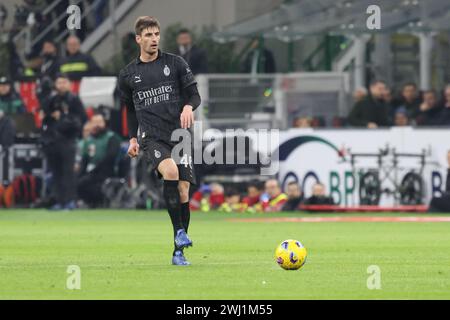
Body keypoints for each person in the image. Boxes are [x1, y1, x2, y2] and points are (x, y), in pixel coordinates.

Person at [118, 16, 201, 266]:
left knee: (184, 189)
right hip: (152, 136)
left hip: (179, 134)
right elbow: (131, 111)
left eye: (156, 34)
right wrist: (133, 138)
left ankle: (178, 251)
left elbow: (194, 95)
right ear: (138, 39)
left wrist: (188, 106)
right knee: (171, 171)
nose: (154, 39)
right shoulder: (128, 75)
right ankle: (179, 232)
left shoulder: (175, 63)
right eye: (149, 35)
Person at [41, 73, 87, 210]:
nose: (61, 85)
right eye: (59, 82)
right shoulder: (52, 99)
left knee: (68, 172)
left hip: (69, 140)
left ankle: (70, 201)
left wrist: (63, 118)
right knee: (56, 172)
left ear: (69, 84)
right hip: (53, 141)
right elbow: (45, 116)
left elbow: (81, 120)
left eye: (64, 82)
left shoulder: (74, 100)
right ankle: (59, 201)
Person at [76, 113, 122, 208]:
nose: (97, 125)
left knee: (86, 183)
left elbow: (110, 157)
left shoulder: (112, 138)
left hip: (106, 171)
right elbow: (84, 160)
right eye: (94, 122)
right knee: (77, 181)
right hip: (91, 172)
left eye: (99, 122)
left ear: (104, 123)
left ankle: (98, 202)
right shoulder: (88, 141)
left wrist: (94, 170)